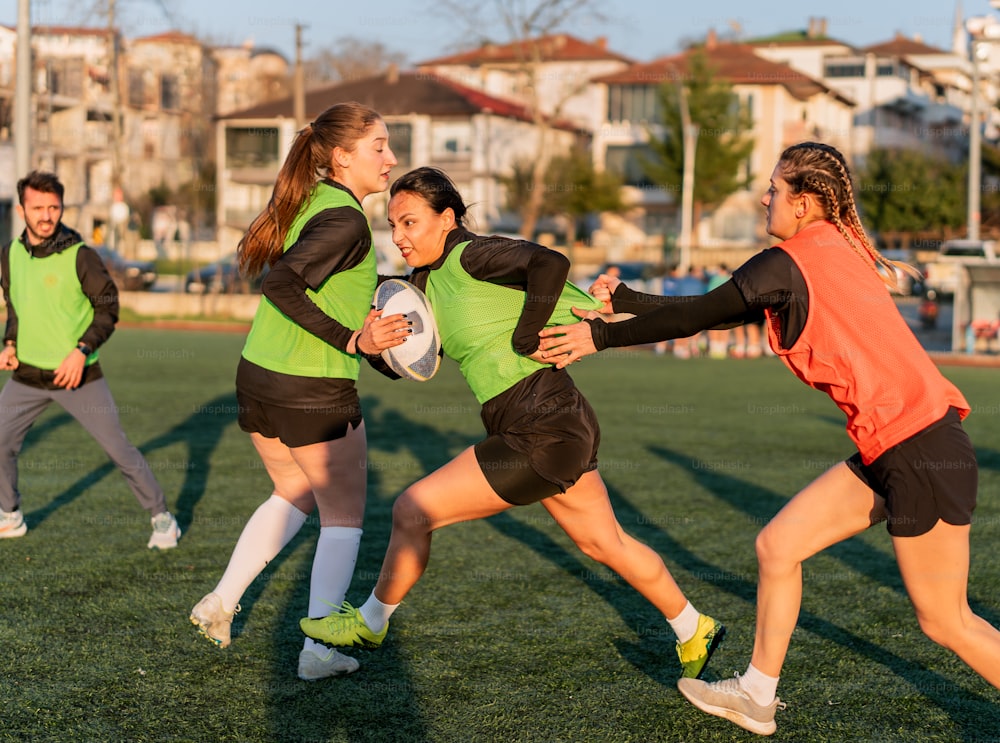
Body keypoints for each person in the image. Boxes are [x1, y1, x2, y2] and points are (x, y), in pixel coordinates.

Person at [538, 141, 1000, 735]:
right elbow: (719, 310)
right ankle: (757, 693)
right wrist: (624, 303)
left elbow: (701, 315)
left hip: (918, 448)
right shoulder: (823, 252)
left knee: (946, 621)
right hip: (896, 446)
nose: (765, 197)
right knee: (779, 546)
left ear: (804, 204)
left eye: (775, 189)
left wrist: (600, 337)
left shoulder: (792, 260)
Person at [299, 166, 725, 680]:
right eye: (393, 225)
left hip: (543, 424)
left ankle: (371, 622)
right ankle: (692, 626)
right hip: (547, 419)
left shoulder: (471, 254)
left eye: (410, 222)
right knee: (603, 543)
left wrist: (527, 334)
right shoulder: (423, 285)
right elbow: (407, 362)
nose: (400, 237)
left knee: (414, 510)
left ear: (447, 218)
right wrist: (372, 347)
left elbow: (550, 260)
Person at [188, 102, 407, 682]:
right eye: (379, 147)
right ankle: (317, 651)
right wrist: (352, 341)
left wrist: (370, 335)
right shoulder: (347, 219)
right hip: (310, 386)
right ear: (341, 156)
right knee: (344, 515)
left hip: (258, 376)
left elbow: (325, 290)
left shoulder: (316, 201)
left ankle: (221, 601)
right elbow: (281, 283)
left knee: (292, 489)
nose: (391, 159)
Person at [0, 171, 180, 549]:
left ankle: (162, 518)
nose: (46, 215)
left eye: (54, 207)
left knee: (118, 450)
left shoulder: (82, 256)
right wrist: (11, 342)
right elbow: (17, 306)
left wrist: (81, 352)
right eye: (38, 208)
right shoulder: (10, 255)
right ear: (21, 210)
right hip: (27, 377)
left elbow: (108, 309)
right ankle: (9, 514)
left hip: (78, 376)